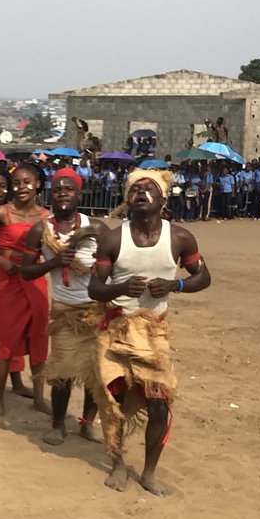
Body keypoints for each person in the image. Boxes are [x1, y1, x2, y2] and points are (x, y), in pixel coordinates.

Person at [88, 169, 210, 495]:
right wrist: (119, 286)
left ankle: (149, 473)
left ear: (163, 199)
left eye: (149, 189)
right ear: (127, 199)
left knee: (159, 405)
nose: (141, 193)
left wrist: (176, 284)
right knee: (113, 402)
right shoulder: (114, 239)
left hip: (155, 335)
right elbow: (94, 288)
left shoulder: (180, 238)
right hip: (116, 330)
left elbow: (203, 277)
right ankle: (116, 464)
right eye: (135, 189)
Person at [21, 168, 108, 446]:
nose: (62, 194)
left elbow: (113, 266)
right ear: (51, 193)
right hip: (63, 310)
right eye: (58, 189)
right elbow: (26, 271)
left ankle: (86, 424)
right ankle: (58, 424)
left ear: (79, 193)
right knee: (61, 371)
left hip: (96, 309)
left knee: (96, 371)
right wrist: (54, 263)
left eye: (68, 189)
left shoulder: (96, 228)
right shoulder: (41, 230)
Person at [0, 162, 51, 416]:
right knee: (6, 339)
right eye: (17, 183)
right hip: (7, 282)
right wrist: (0, 261)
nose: (21, 187)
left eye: (27, 182)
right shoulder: (3, 212)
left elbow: (52, 248)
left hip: (35, 282)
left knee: (38, 339)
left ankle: (38, 397)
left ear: (37, 184)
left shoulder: (46, 216)